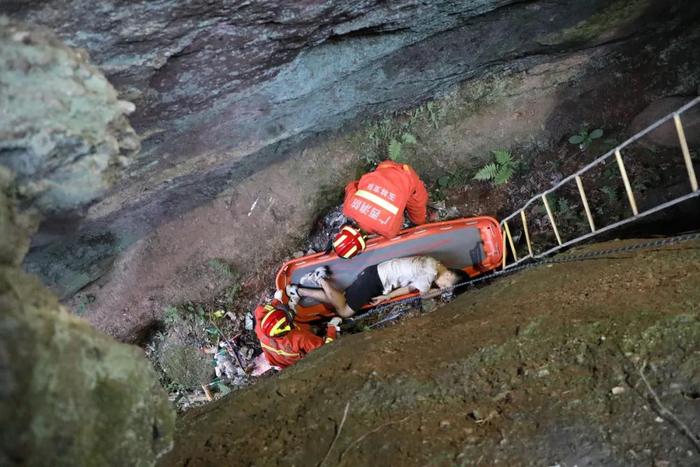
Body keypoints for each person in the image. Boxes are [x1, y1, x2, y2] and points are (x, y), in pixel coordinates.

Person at [286, 256, 469, 318]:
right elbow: (423, 295)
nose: (443, 289)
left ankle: (298, 290)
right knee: (344, 312)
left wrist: (387, 297)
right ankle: (320, 279)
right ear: (450, 275)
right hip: (374, 281)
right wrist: (438, 292)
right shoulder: (430, 273)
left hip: (376, 277)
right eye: (447, 287)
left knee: (340, 299)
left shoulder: (434, 265)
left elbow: (410, 289)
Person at [335, 161, 429, 258]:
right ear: (344, 229)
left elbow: (401, 220)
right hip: (385, 167)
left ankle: (421, 223)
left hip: (408, 178)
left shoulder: (389, 231)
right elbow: (350, 186)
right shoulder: (348, 207)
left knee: (418, 215)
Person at [253, 293, 339, 369]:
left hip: (274, 359)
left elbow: (259, 310)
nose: (290, 314)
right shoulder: (299, 338)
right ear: (286, 329)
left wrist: (276, 301)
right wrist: (332, 328)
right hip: (291, 363)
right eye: (287, 320)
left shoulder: (260, 328)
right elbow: (325, 348)